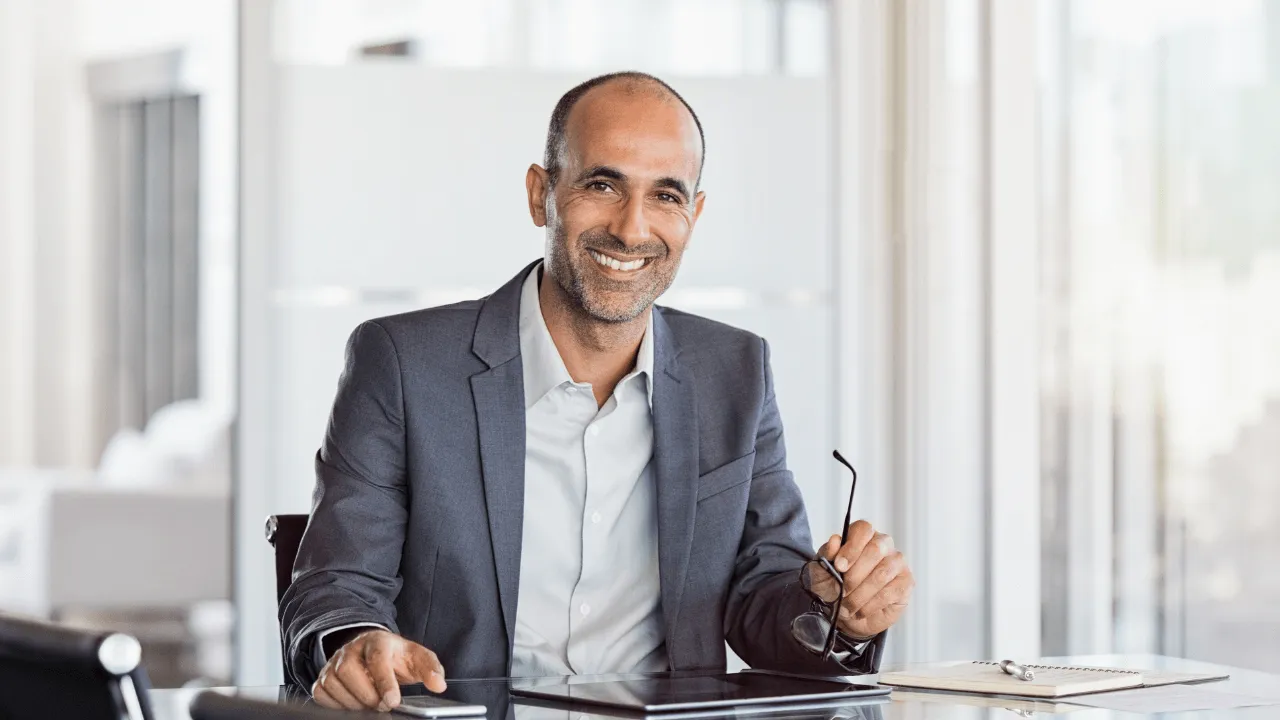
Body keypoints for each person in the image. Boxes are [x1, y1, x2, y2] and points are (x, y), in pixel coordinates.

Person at [281, 71, 914, 713]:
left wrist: (836, 611)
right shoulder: (404, 362)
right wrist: (358, 641)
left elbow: (765, 600)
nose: (632, 228)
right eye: (603, 184)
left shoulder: (735, 370)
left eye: (666, 196)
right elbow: (336, 585)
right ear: (541, 195)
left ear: (693, 216)